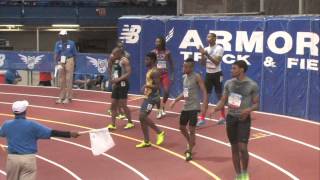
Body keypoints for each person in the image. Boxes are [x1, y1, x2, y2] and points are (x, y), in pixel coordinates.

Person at [0, 100, 80, 180]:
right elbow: (51, 132)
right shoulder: (32, 125)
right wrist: (69, 134)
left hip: (13, 159)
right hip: (28, 159)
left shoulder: (6, 125)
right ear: (25, 111)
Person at [211, 61, 259, 180]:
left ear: (241, 70)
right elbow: (223, 100)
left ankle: (244, 172)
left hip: (243, 119)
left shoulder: (252, 85)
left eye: (234, 68)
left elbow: (257, 105)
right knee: (234, 148)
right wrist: (215, 109)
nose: (231, 70)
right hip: (231, 118)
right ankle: (238, 174)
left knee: (243, 148)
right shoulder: (228, 83)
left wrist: (247, 110)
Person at [170, 58, 208, 161]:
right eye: (183, 66)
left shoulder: (197, 77)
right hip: (186, 106)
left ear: (191, 67)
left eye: (186, 66)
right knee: (182, 127)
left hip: (194, 107)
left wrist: (204, 105)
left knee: (191, 130)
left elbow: (204, 91)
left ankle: (189, 151)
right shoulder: (184, 78)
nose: (184, 68)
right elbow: (185, 93)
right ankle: (191, 142)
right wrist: (175, 101)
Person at [136, 52, 165, 148]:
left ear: (152, 60)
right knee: (141, 118)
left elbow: (157, 87)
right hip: (148, 97)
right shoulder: (150, 70)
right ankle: (146, 141)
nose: (145, 61)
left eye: (147, 59)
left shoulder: (155, 71)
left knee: (142, 116)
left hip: (152, 98)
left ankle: (159, 132)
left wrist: (147, 86)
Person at [197, 32, 226, 126]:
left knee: (219, 96)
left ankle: (222, 117)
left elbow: (217, 62)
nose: (208, 38)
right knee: (206, 97)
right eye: (207, 36)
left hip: (217, 74)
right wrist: (202, 55)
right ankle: (202, 118)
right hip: (208, 75)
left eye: (210, 36)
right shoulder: (206, 49)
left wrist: (207, 55)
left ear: (214, 38)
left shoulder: (219, 48)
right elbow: (202, 64)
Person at [106, 47, 134, 130]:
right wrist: (111, 78)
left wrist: (119, 79)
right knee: (113, 104)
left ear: (119, 53)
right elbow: (110, 68)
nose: (112, 56)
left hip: (123, 84)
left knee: (123, 105)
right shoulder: (114, 60)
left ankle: (130, 122)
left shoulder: (124, 61)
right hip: (116, 84)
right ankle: (113, 124)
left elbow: (129, 73)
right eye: (112, 54)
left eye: (114, 54)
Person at [152, 37, 174, 119]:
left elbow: (171, 64)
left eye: (158, 42)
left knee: (166, 91)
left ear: (162, 43)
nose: (156, 43)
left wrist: (172, 75)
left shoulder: (167, 52)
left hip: (165, 74)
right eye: (156, 41)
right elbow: (151, 64)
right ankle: (159, 111)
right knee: (157, 93)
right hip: (156, 75)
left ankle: (163, 106)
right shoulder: (153, 52)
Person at [54, 30, 77, 104]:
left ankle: (68, 97)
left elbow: (75, 54)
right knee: (61, 80)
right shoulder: (58, 43)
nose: (61, 36)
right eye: (60, 35)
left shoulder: (71, 43)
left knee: (68, 79)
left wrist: (74, 63)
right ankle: (61, 97)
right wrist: (56, 63)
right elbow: (56, 53)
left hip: (69, 59)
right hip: (61, 61)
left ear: (66, 36)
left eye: (63, 35)